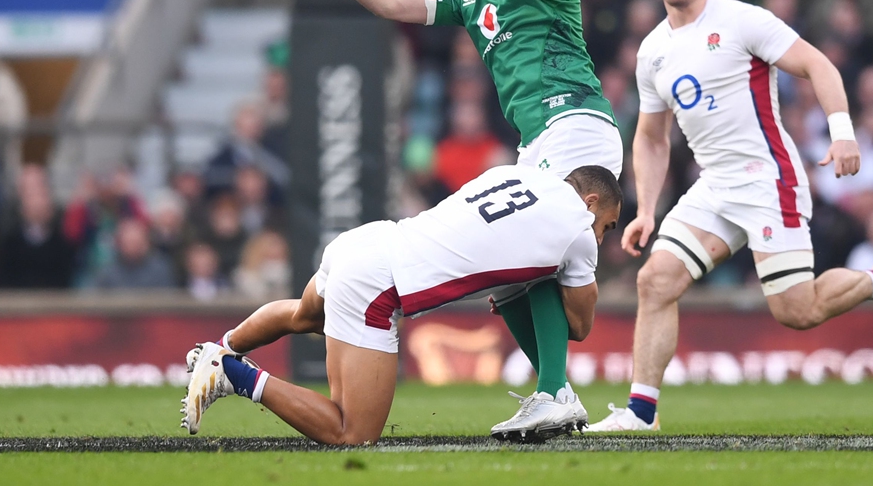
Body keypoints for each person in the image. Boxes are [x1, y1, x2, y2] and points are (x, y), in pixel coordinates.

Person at [296, 0, 624, 438]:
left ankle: (555, 390)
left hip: (575, 124)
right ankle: (556, 391)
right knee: (506, 272)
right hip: (538, 142)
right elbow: (395, 1)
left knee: (533, 265)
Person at [586, 0, 873, 434]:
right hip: (715, 185)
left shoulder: (742, 20)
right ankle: (641, 415)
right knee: (655, 280)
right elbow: (651, 138)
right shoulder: (652, 51)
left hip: (768, 179)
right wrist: (645, 209)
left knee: (797, 312)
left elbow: (818, 64)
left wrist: (842, 133)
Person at [180, 164, 622, 444]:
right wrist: (573, 266)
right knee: (352, 432)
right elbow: (579, 326)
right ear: (591, 203)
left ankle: (217, 348)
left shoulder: (516, 173)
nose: (603, 236)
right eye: (608, 225)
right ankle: (229, 372)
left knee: (303, 314)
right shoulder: (579, 231)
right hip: (380, 285)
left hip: (368, 240)